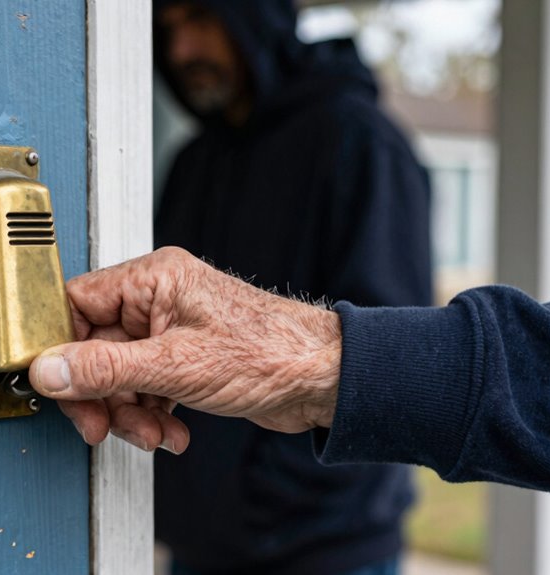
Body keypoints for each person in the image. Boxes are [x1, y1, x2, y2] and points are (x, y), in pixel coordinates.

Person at [152, 0, 432, 573]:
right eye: (169, 29)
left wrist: (276, 490)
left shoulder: (360, 143)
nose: (182, 51)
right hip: (202, 545)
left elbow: (393, 352)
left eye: (201, 20)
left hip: (327, 544)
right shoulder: (194, 163)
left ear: (253, 16)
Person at [27, 247, 550, 504]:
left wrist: (316, 364)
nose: (182, 49)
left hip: (316, 522)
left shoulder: (359, 143)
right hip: (208, 523)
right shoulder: (203, 156)